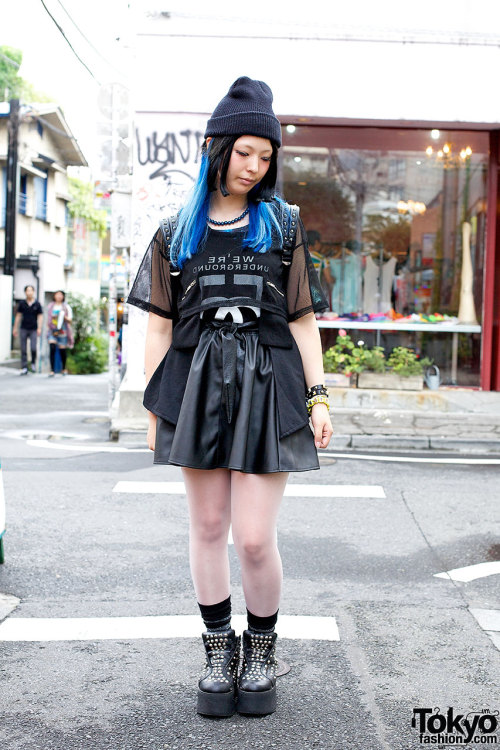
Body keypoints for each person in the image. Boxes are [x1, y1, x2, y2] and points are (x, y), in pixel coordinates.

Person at [127, 76, 333, 718]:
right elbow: (159, 323)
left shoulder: (283, 224)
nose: (254, 166)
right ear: (218, 148)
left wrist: (320, 395)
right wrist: (156, 404)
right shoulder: (175, 230)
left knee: (251, 538)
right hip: (194, 383)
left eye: (265, 155)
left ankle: (262, 648)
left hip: (269, 383)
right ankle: (219, 651)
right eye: (245, 152)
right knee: (208, 527)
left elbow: (301, 316)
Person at [13, 285, 43, 375]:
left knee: (33, 348)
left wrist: (39, 328)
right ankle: (24, 367)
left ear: (33, 292)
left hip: (33, 328)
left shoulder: (37, 304)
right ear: (25, 292)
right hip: (23, 328)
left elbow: (40, 316)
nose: (29, 292)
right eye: (27, 291)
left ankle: (33, 363)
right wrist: (15, 328)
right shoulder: (22, 304)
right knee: (23, 349)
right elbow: (18, 316)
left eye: (31, 290)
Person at [46, 290, 74, 376]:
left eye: (60, 295)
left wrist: (63, 317)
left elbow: (70, 320)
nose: (58, 296)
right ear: (54, 296)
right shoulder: (50, 306)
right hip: (52, 330)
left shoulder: (66, 307)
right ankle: (52, 370)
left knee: (62, 350)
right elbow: (48, 319)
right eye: (57, 294)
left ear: (63, 296)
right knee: (52, 348)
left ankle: (63, 368)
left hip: (63, 330)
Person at [306, 229, 333, 308]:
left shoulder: (298, 257)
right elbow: (329, 279)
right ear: (316, 242)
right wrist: (335, 279)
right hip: (316, 296)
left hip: (301, 295)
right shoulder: (321, 259)